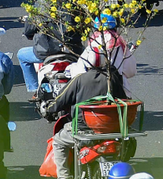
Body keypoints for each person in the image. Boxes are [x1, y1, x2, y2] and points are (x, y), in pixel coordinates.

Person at [47, 47, 128, 179]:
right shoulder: (112, 79)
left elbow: (60, 101)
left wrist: (49, 108)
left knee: (58, 142)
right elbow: (123, 100)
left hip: (83, 129)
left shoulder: (79, 79)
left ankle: (64, 176)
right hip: (110, 129)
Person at [69, 15, 137, 96]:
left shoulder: (94, 44)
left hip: (93, 93)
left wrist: (70, 68)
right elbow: (131, 71)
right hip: (119, 90)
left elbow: (79, 71)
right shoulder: (121, 45)